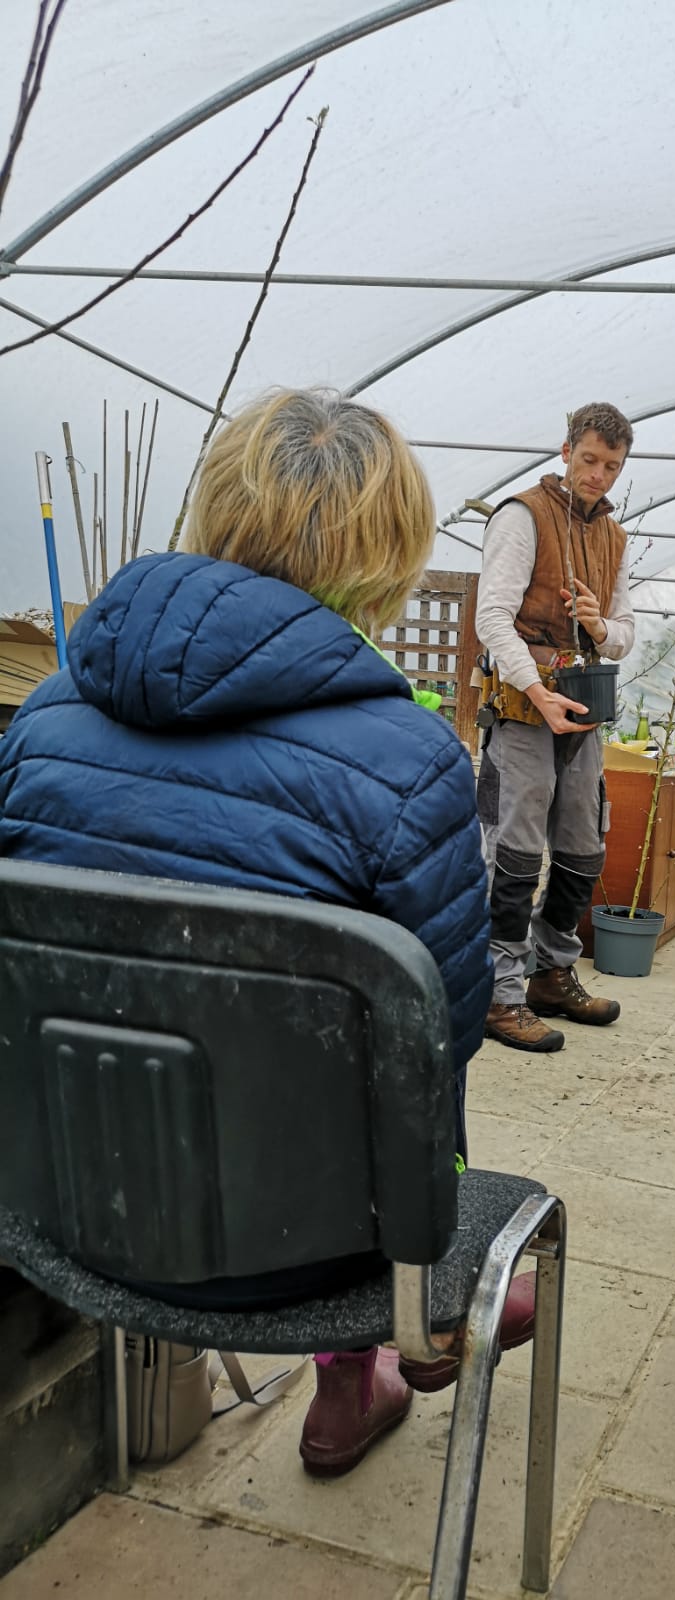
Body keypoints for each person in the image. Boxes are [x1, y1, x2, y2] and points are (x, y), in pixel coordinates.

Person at [0, 388, 533, 1477]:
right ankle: (383, 1341)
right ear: (387, 556)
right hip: (308, 1255)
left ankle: (362, 1371)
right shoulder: (410, 759)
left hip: (56, 1213)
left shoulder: (44, 714)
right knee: (404, 1037)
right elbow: (450, 1038)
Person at [475, 401, 636, 1053]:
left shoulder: (615, 539)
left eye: (612, 467)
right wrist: (537, 691)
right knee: (514, 853)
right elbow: (492, 619)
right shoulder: (522, 516)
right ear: (566, 451)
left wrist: (598, 625)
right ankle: (498, 992)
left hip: (583, 709)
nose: (599, 475)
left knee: (582, 847)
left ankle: (550, 972)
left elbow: (624, 637)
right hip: (523, 705)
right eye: (591, 460)